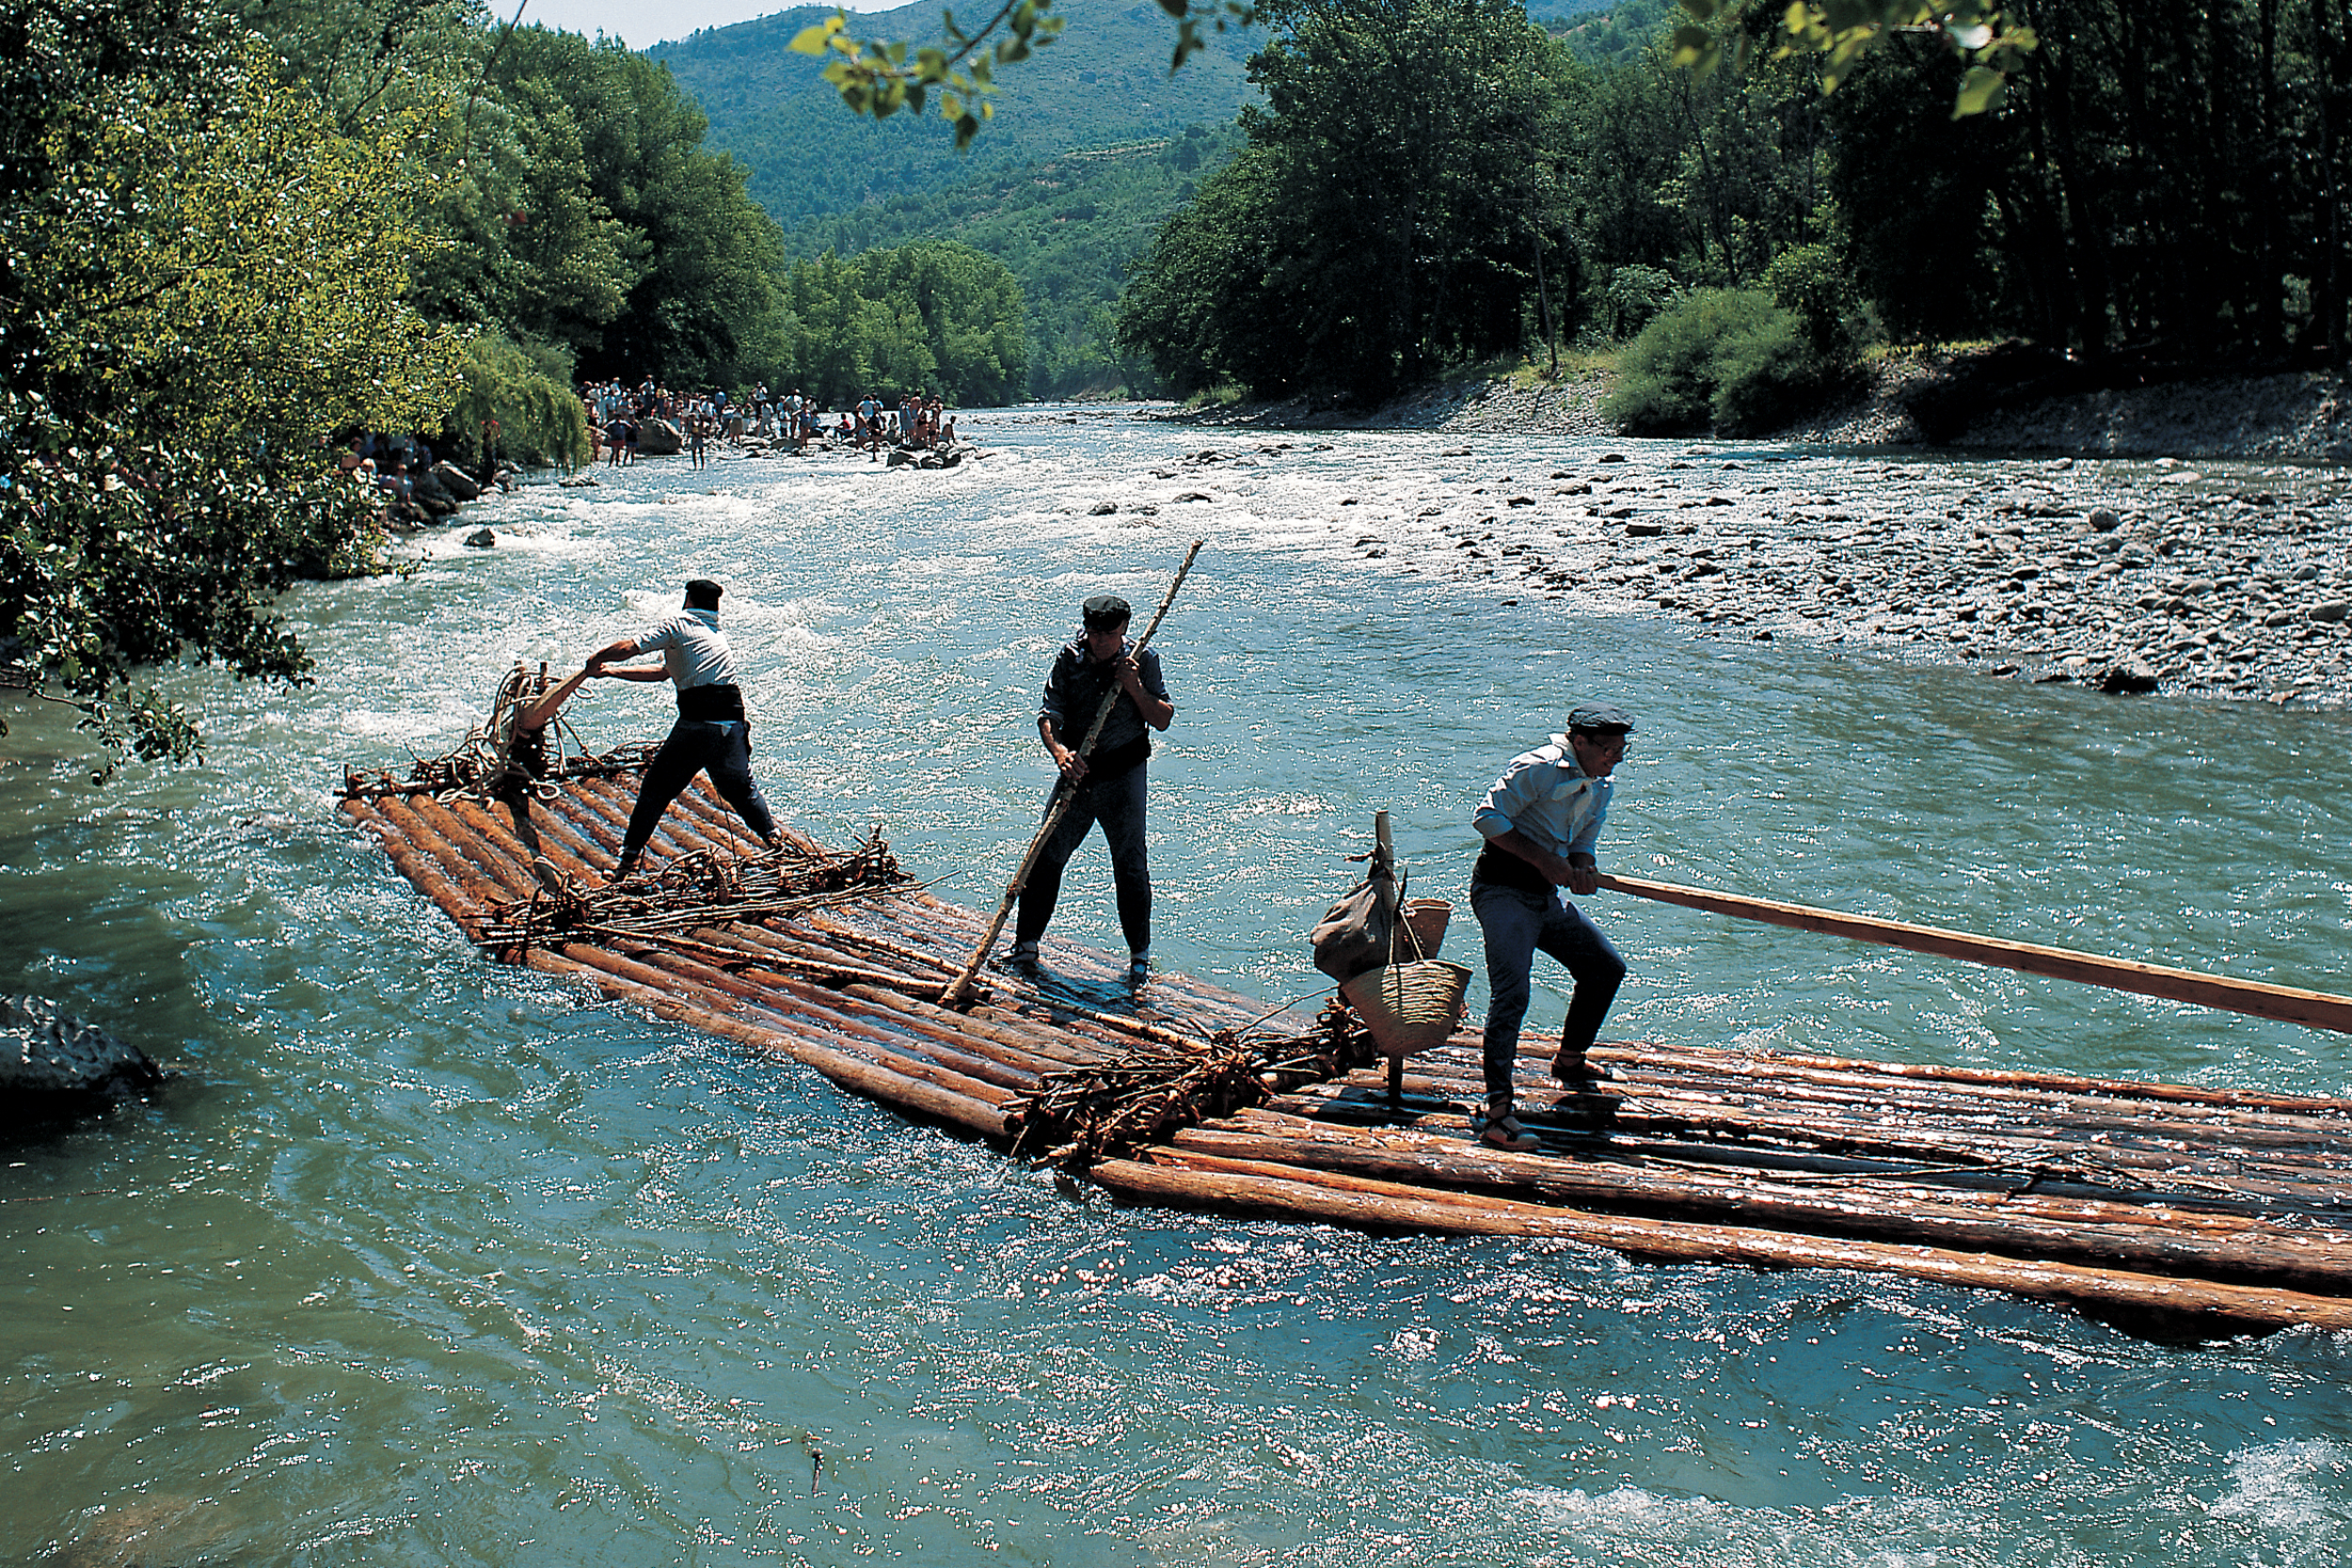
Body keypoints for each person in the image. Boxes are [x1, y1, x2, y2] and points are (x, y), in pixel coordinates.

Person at [1466, 703, 1634, 1152]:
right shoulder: (1538, 768)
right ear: (1579, 741)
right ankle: (1499, 1112)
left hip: (1545, 898)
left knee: (1604, 968)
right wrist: (1544, 861)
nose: (1614, 757)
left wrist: (1582, 867)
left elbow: (1582, 842)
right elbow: (1487, 818)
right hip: (1502, 892)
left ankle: (1570, 1060)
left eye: (1622, 749)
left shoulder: (1601, 785)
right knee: (1513, 994)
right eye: (1607, 749)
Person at [1005, 594, 1175, 986]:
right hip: (1078, 775)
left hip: (1123, 776)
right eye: (1093, 632)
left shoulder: (1142, 660)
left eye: (1107, 634)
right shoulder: (1070, 658)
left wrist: (1132, 686)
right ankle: (1026, 946)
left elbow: (1162, 718)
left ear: (1124, 631)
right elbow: (1049, 715)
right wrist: (1060, 752)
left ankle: (1139, 959)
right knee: (1045, 856)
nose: (1098, 641)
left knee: (1130, 865)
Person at [583, 578, 782, 881]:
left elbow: (632, 647)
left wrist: (598, 658)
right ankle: (777, 844)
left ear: (688, 599)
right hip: (732, 723)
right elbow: (664, 673)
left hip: (699, 723)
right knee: (740, 791)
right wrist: (611, 672)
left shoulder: (679, 624)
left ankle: (627, 864)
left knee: (654, 792)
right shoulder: (714, 633)